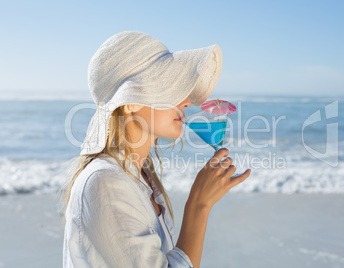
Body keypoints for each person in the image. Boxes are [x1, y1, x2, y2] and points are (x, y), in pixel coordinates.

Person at [60, 31, 251, 268]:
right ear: (130, 101)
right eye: (172, 87)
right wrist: (199, 206)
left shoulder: (142, 177)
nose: (186, 102)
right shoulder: (105, 182)